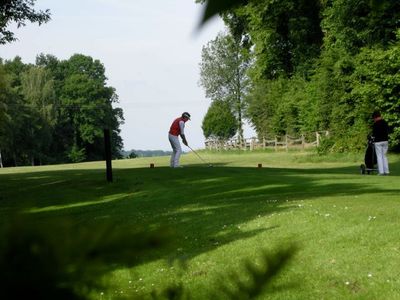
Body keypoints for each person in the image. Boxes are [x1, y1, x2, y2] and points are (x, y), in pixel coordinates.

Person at [372, 111, 389, 175]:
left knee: (379, 156)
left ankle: (381, 172)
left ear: (375, 117)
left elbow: (374, 134)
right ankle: (386, 171)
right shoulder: (385, 122)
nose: (374, 120)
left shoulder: (376, 124)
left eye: (374, 118)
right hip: (385, 141)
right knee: (384, 156)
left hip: (378, 141)